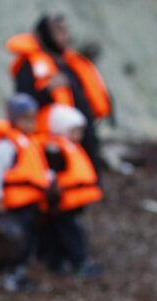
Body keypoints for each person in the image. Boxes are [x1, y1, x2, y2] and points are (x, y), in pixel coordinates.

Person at [7, 14, 113, 171]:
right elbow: (22, 104)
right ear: (44, 35)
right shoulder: (29, 65)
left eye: (65, 31)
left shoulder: (73, 63)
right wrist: (48, 90)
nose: (65, 36)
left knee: (89, 179)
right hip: (51, 142)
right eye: (58, 32)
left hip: (84, 135)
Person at [0, 93, 49, 290]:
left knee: (25, 241)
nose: (31, 123)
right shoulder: (6, 145)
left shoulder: (30, 143)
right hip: (11, 204)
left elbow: (37, 171)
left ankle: (15, 274)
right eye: (25, 118)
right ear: (14, 119)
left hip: (30, 203)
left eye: (33, 117)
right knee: (6, 240)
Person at [38, 104, 103, 277]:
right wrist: (53, 197)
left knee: (62, 231)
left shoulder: (68, 147)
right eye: (75, 131)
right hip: (62, 202)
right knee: (69, 232)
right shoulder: (55, 149)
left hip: (71, 202)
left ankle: (57, 262)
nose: (79, 135)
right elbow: (51, 175)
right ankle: (78, 263)